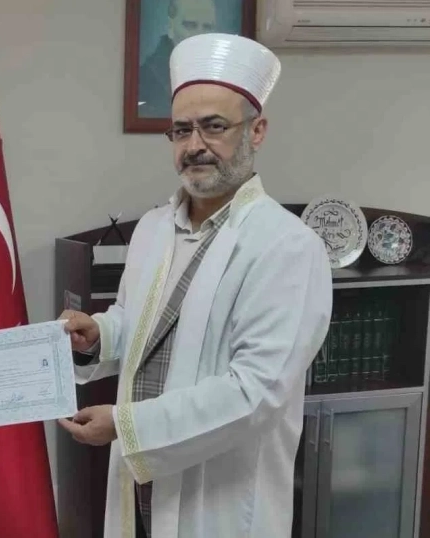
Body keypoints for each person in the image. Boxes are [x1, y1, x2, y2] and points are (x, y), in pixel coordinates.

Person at [59, 33, 332, 538]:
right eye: (182, 130)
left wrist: (126, 426)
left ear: (257, 131)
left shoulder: (288, 247)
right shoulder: (152, 228)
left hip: (219, 501)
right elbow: (142, 326)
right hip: (139, 487)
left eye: (214, 126)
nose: (194, 146)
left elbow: (254, 392)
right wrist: (98, 334)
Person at [138, 0, 217, 118]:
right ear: (170, 27)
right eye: (190, 25)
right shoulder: (145, 80)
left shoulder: (222, 79)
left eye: (207, 27)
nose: (199, 35)